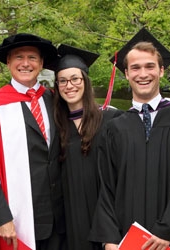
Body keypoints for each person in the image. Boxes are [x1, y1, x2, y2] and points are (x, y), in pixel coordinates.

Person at [89, 29, 170, 250]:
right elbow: (107, 186)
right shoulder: (114, 128)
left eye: (150, 66)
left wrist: (167, 229)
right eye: (135, 68)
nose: (143, 74)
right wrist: (109, 238)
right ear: (126, 74)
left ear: (162, 70)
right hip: (127, 240)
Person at [0, 33, 65, 250]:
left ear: (41, 63)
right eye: (18, 57)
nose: (25, 63)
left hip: (61, 222)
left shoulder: (55, 100)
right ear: (8, 63)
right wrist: (1, 217)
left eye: (32, 57)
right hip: (17, 220)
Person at [51, 44, 122, 250]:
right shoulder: (56, 126)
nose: (69, 85)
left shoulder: (111, 120)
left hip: (107, 216)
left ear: (85, 81)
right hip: (72, 220)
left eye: (75, 79)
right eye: (62, 81)